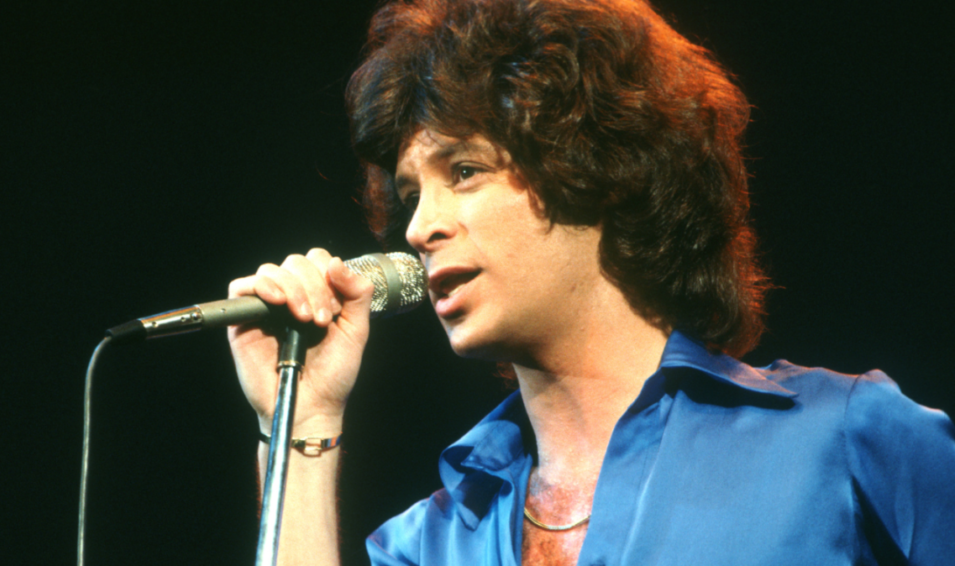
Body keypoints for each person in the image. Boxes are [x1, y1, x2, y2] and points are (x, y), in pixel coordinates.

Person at [227, 0, 955, 564]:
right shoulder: (432, 543)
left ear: (598, 169)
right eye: (412, 195)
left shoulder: (843, 439)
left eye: (465, 171)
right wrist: (300, 419)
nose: (419, 227)